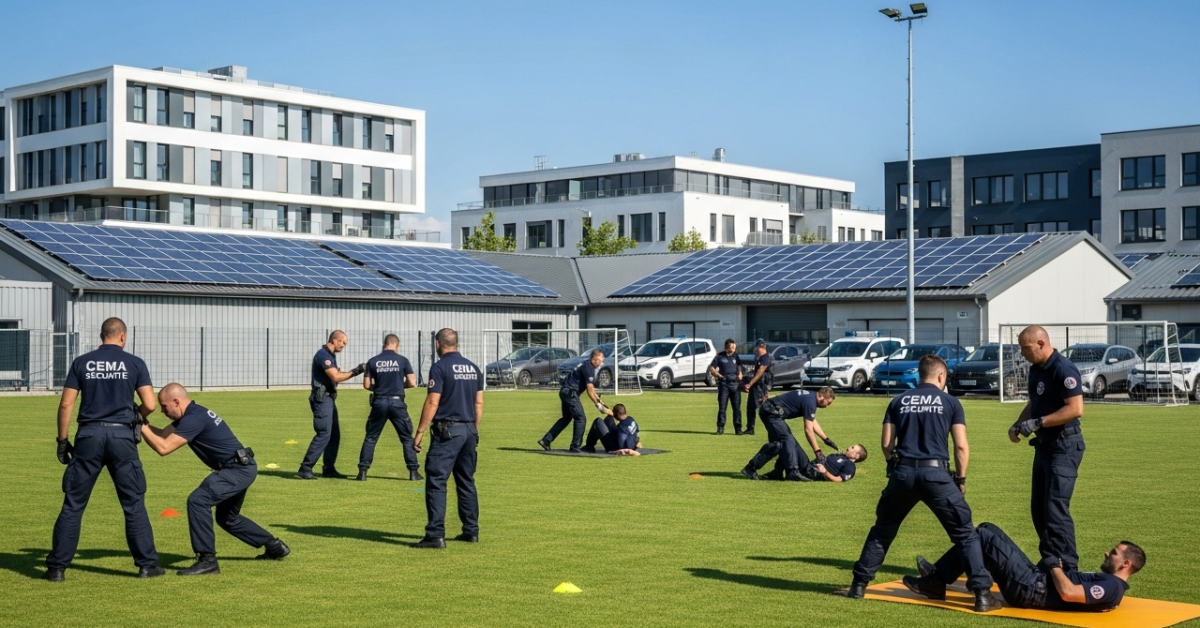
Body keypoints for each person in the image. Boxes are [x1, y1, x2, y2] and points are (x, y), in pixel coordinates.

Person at [847, 354, 1002, 613]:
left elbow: (886, 444)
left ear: (920, 374)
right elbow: (961, 446)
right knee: (965, 533)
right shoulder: (950, 402)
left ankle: (859, 585)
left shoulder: (898, 401)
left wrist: (893, 463)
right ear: (941, 376)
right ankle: (983, 595)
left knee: (883, 531)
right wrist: (960, 479)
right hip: (937, 475)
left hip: (903, 473)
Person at [45, 317, 163, 582]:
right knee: (133, 504)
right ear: (122, 336)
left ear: (102, 336)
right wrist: (136, 417)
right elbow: (150, 404)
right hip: (121, 436)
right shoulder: (135, 363)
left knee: (73, 504)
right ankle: (146, 565)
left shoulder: (82, 362)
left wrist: (63, 442)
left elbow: (66, 405)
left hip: (89, 434)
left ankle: (56, 569)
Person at [140, 383, 290, 576]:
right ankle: (274, 546)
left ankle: (207, 561)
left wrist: (141, 425)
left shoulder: (193, 418)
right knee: (227, 518)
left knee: (198, 501)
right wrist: (141, 423)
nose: (162, 411)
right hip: (241, 466)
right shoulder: (191, 414)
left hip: (236, 469)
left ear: (176, 401)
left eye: (164, 406)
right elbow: (161, 435)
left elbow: (163, 448)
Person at [903, 522, 1144, 613]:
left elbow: (1069, 593)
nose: (1107, 552)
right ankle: (939, 576)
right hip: (1034, 581)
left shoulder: (1113, 587)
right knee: (987, 529)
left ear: (1126, 563)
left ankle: (937, 580)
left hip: (1031, 590)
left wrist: (1054, 567)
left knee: (984, 537)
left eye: (1113, 553)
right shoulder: (1110, 583)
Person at [1010, 325, 1086, 572]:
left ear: (1041, 343)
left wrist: (1039, 422)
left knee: (1055, 509)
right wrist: (1019, 424)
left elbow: (1075, 409)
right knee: (1039, 510)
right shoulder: (1036, 370)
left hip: (1064, 446)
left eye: (1025, 348)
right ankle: (1051, 563)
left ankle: (1068, 568)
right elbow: (1035, 403)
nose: (1022, 353)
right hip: (1044, 446)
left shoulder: (1062, 368)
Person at [412, 329, 483, 549]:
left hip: (448, 431)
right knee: (466, 481)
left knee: (436, 480)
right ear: (456, 343)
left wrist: (421, 431)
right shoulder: (473, 367)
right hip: (469, 429)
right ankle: (471, 531)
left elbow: (433, 402)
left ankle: (435, 535)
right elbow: (479, 403)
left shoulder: (440, 367)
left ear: (438, 344)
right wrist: (473, 429)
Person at [298, 330, 364, 480]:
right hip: (322, 399)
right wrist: (357, 371)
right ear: (335, 340)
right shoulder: (324, 355)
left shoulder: (330, 356)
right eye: (343, 343)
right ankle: (305, 467)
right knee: (324, 433)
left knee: (334, 435)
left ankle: (329, 468)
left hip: (328, 398)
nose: (343, 346)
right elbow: (335, 376)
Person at [356, 334, 421, 482]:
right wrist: (398, 386)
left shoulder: (373, 361)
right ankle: (413, 472)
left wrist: (378, 387)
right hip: (397, 402)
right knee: (406, 438)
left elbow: (366, 385)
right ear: (396, 345)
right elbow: (412, 382)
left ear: (384, 344)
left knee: (371, 437)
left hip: (379, 401)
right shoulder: (403, 360)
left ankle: (363, 472)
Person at [740, 387, 836, 480]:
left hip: (770, 410)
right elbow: (808, 430)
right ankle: (792, 471)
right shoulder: (810, 402)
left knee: (778, 445)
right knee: (787, 440)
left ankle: (770, 471)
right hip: (772, 413)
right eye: (829, 403)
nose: (827, 406)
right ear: (824, 398)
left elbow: (812, 420)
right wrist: (817, 452)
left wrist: (825, 439)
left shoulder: (810, 397)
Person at [538, 349, 605, 453]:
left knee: (566, 418)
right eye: (601, 360)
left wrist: (599, 400)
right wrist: (597, 405)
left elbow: (592, 390)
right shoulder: (589, 367)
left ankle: (546, 440)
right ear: (595, 359)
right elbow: (590, 389)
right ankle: (575, 446)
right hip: (571, 393)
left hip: (565, 391)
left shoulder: (585, 364)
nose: (601, 363)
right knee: (581, 419)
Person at [760, 439, 867, 482]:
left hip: (812, 472)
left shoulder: (850, 466)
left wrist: (824, 471)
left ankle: (782, 473)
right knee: (789, 443)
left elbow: (838, 480)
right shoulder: (841, 456)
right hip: (809, 466)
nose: (849, 448)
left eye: (852, 448)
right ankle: (778, 472)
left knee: (790, 444)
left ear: (856, 456)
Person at [708, 339, 744, 435]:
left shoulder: (736, 356)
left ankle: (738, 428)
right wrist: (719, 375)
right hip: (724, 384)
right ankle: (720, 428)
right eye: (730, 347)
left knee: (736, 408)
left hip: (735, 385)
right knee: (722, 407)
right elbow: (711, 368)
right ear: (726, 347)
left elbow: (739, 366)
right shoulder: (719, 356)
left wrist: (740, 374)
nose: (732, 349)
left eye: (734, 347)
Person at [741, 339, 774, 435]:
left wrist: (750, 383)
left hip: (760, 387)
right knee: (751, 408)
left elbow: (760, 372)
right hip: (757, 386)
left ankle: (772, 427)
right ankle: (750, 428)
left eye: (757, 347)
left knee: (763, 408)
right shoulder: (761, 358)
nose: (756, 350)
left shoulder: (765, 358)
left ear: (762, 347)